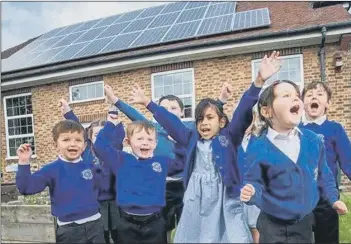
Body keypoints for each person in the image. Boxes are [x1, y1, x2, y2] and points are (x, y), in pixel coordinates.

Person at [128, 51, 282, 242]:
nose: (204, 123)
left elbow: (243, 112)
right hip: (197, 198)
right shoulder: (191, 137)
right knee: (196, 235)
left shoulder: (230, 137)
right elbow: (171, 123)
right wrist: (148, 103)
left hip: (225, 195)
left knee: (232, 235)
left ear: (222, 122)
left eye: (210, 118)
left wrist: (258, 82)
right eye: (200, 119)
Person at [104, 84, 229, 242]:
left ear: (182, 111)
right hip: (164, 186)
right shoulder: (154, 129)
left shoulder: (191, 128)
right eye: (164, 108)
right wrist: (116, 100)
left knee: (191, 223)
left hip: (186, 185)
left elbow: (211, 116)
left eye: (173, 108)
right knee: (164, 225)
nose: (169, 111)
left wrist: (221, 100)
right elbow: (134, 114)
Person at [240, 80, 348, 243]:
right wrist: (252, 191)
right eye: (286, 95)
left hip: (303, 222)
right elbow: (254, 179)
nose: (295, 99)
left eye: (297, 96)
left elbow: (324, 174)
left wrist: (334, 199)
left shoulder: (313, 140)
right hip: (272, 223)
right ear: (267, 111)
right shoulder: (258, 146)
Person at [94, 114, 186, 244]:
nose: (145, 142)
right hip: (127, 224)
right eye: (140, 138)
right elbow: (100, 146)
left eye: (150, 139)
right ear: (128, 141)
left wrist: (178, 144)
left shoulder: (161, 163)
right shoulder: (121, 160)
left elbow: (181, 163)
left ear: (155, 143)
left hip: (155, 223)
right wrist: (110, 124)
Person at [16, 120, 105, 243]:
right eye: (66, 140)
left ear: (84, 146)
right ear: (56, 144)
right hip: (69, 230)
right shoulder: (51, 170)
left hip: (96, 226)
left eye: (78, 140)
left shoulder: (91, 167)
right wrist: (24, 162)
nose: (73, 144)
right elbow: (26, 188)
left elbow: (106, 187)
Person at [60, 99, 125, 243]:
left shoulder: (113, 148)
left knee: (119, 235)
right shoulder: (86, 151)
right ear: (89, 137)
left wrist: (115, 116)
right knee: (100, 235)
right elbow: (78, 129)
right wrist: (68, 113)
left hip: (115, 202)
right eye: (96, 135)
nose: (101, 137)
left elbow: (119, 134)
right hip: (95, 203)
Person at [300, 81, 351, 243]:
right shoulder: (295, 130)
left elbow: (348, 160)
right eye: (309, 95)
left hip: (327, 198)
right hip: (300, 197)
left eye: (320, 94)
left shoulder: (334, 129)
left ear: (328, 103)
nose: (314, 96)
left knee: (327, 238)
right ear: (302, 103)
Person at [237, 105, 262, 243]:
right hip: (235, 193)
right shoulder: (231, 142)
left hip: (254, 191)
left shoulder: (261, 140)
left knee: (255, 227)